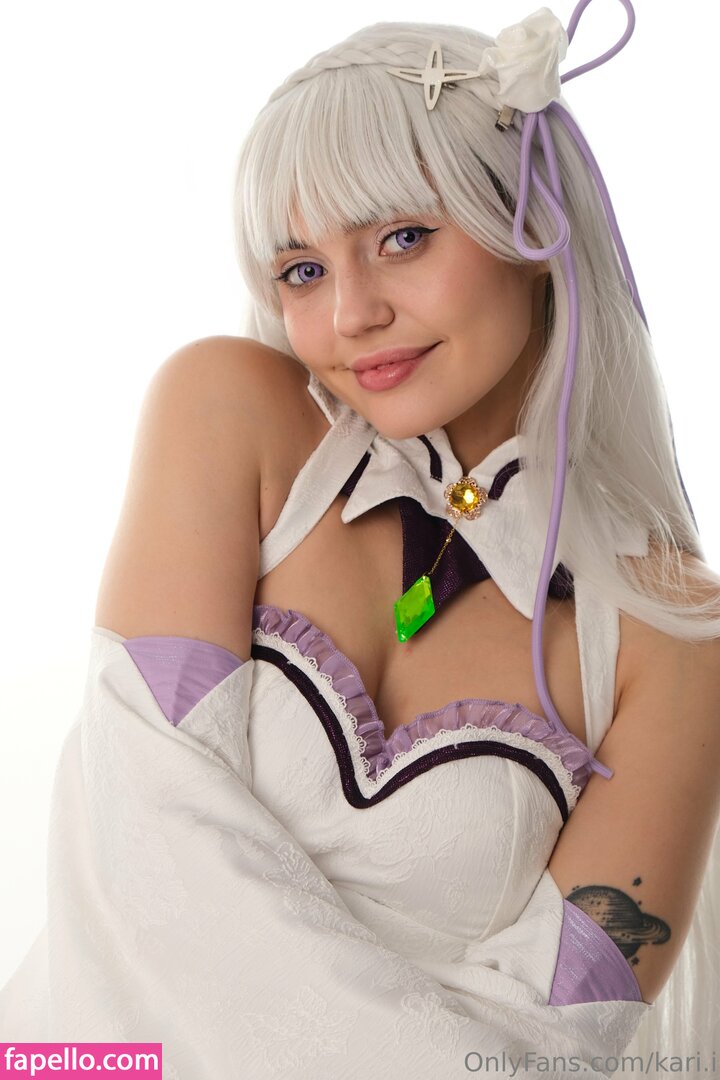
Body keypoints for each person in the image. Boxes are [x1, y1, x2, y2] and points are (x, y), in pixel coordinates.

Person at [1, 2, 719, 1077]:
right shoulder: (230, 414)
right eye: (303, 269)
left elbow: (552, 1044)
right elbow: (141, 850)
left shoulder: (675, 634)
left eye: (402, 238)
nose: (350, 314)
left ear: (535, 229)